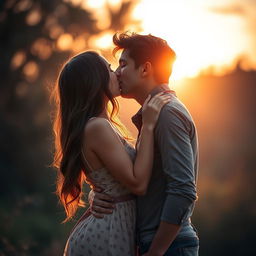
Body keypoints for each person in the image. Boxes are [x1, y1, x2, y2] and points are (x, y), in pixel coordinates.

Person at [89, 32, 199, 256]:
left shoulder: (167, 114)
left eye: (123, 65)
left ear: (145, 69)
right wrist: (97, 194)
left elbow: (183, 190)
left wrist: (156, 252)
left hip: (168, 247)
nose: (117, 73)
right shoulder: (155, 113)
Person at [52, 50, 171, 256]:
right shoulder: (97, 127)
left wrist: (96, 195)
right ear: (94, 81)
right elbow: (138, 183)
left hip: (113, 229)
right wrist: (149, 125)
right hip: (106, 235)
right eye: (109, 68)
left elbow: (108, 179)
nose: (116, 72)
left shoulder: (103, 125)